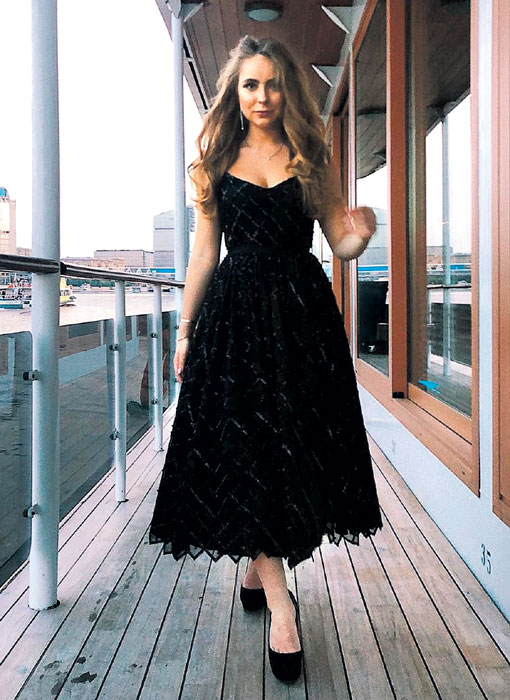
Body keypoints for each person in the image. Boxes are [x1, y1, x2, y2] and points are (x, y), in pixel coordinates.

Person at [148, 35, 383, 683]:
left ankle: (259, 567)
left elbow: (339, 242)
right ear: (235, 91)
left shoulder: (310, 155)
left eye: (272, 84)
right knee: (247, 451)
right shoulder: (217, 160)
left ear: (288, 90)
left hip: (302, 323)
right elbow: (204, 254)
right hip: (235, 322)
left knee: (292, 449)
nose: (261, 96)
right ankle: (283, 608)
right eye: (250, 84)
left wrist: (362, 235)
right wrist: (185, 332)